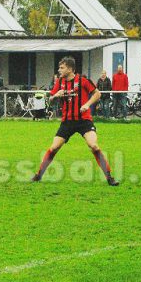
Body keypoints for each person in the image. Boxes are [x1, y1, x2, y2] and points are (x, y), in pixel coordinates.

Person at [32, 57, 119, 186]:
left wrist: (87, 104)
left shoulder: (83, 81)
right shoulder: (60, 82)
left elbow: (97, 94)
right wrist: (55, 96)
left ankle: (109, 177)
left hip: (84, 120)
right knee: (54, 147)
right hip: (67, 122)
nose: (59, 70)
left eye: (62, 67)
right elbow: (50, 100)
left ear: (70, 69)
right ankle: (38, 175)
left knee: (93, 146)